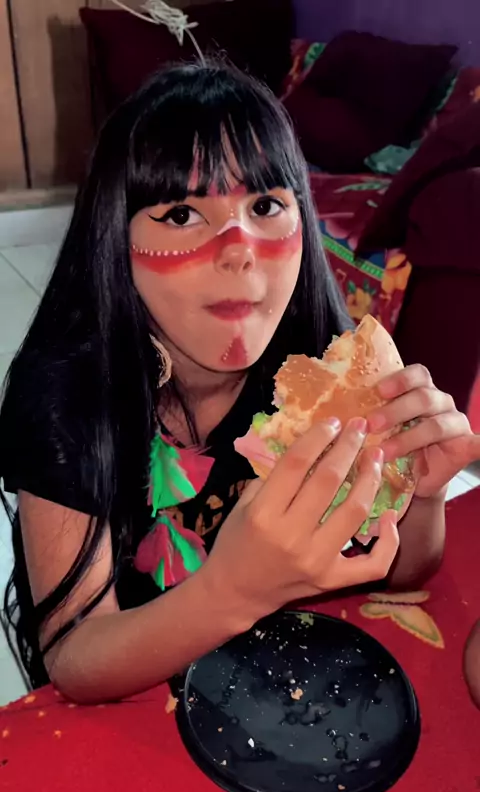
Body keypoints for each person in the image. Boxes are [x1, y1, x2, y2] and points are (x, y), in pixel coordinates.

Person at [0, 63, 478, 705]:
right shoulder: (66, 394)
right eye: (180, 213)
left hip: (277, 692)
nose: (239, 248)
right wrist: (233, 592)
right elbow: (76, 659)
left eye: (265, 206)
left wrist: (422, 493)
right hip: (135, 687)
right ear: (114, 239)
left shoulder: (319, 371)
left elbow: (399, 568)